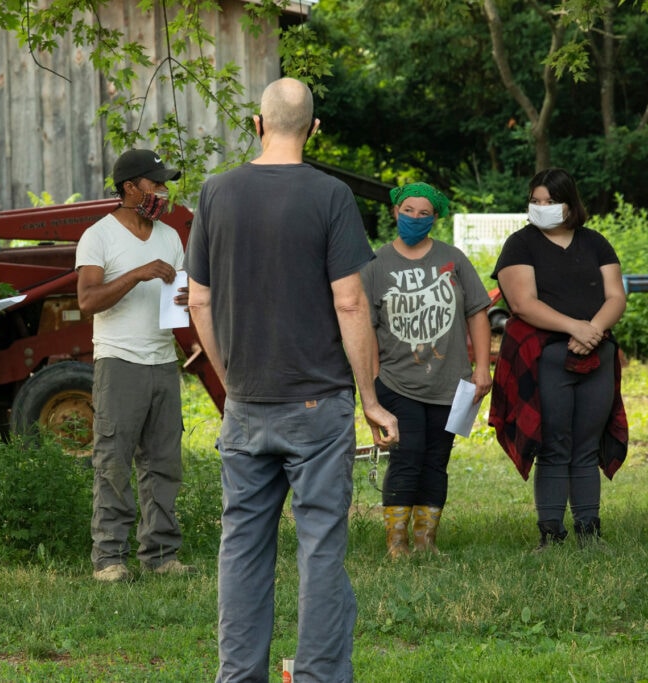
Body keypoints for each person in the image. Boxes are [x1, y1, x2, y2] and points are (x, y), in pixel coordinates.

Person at [185, 78, 399, 683]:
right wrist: (372, 399)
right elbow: (351, 304)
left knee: (242, 550)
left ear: (257, 123)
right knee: (321, 548)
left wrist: (232, 381)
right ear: (314, 128)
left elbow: (198, 302)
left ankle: (239, 675)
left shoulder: (215, 193)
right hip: (316, 406)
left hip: (246, 404)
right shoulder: (330, 196)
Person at [490, 168, 627, 550]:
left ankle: (589, 530)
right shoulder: (520, 244)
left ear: (570, 204)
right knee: (553, 445)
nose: (542, 207)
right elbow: (522, 303)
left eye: (550, 201)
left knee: (586, 445)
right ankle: (550, 533)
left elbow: (615, 296)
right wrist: (575, 328)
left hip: (596, 356)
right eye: (536, 201)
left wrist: (593, 331)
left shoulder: (596, 243)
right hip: (544, 358)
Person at [75, 149, 195, 583]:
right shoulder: (98, 236)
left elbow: (176, 301)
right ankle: (109, 558)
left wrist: (184, 300)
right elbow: (87, 301)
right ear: (129, 188)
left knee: (164, 463)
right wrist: (137, 274)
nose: (162, 191)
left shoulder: (170, 236)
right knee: (113, 461)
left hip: (163, 360)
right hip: (119, 362)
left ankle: (161, 554)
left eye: (164, 184)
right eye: (155, 183)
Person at [361, 183, 491, 558]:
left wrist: (482, 368)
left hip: (451, 384)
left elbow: (477, 312)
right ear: (394, 212)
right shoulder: (375, 264)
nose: (414, 219)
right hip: (395, 381)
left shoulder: (454, 259)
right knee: (407, 454)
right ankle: (397, 544)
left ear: (436, 217)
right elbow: (365, 329)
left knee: (436, 460)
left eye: (423, 213)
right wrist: (371, 384)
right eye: (407, 210)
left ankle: (426, 541)